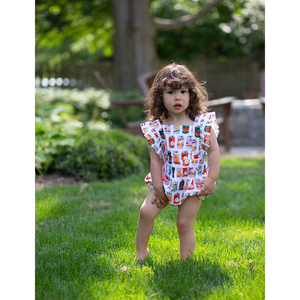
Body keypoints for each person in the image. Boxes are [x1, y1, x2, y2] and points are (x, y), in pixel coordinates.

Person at [136, 63, 220, 261]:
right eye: (170, 92)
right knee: (146, 212)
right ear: (160, 97)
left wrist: (211, 178)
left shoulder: (201, 124)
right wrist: (158, 188)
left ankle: (186, 262)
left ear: (191, 94)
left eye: (183, 91)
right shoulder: (159, 128)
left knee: (184, 224)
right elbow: (155, 159)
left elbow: (214, 150)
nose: (177, 97)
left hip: (193, 182)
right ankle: (141, 253)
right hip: (165, 181)